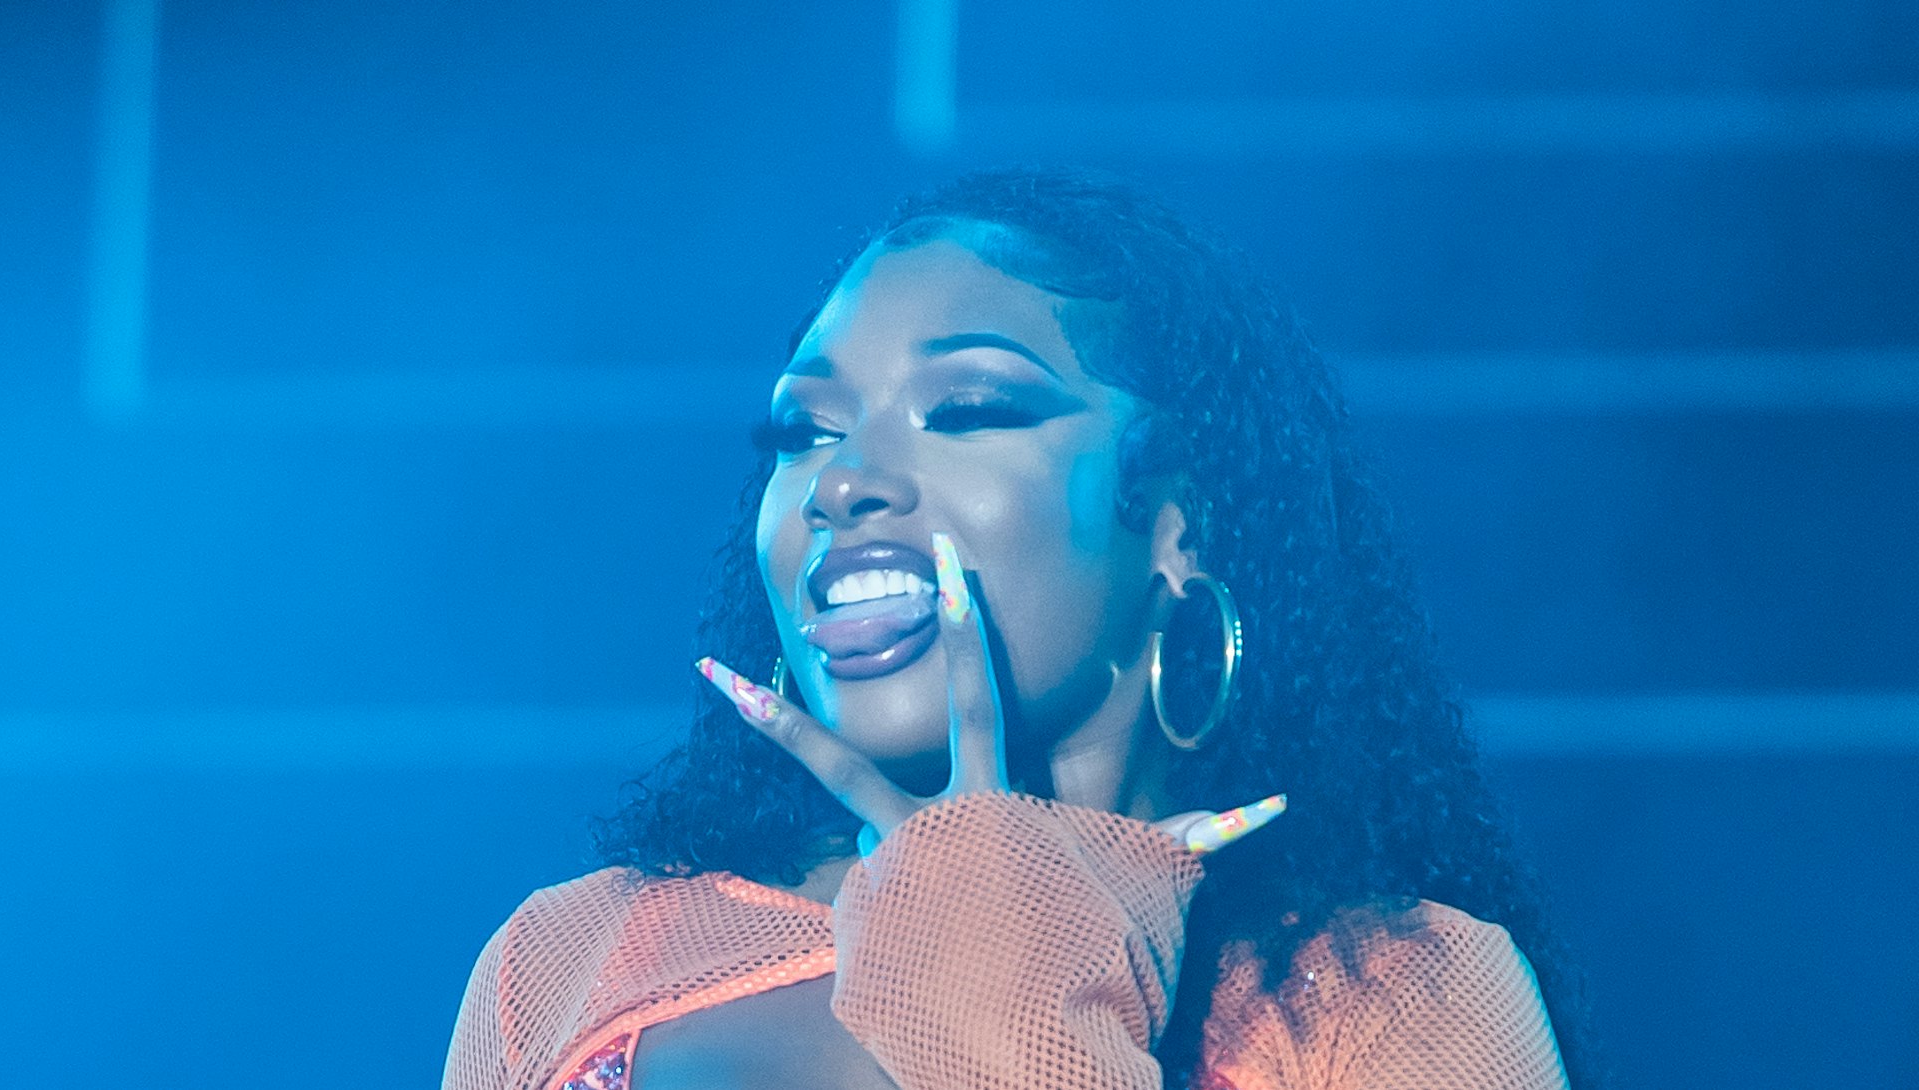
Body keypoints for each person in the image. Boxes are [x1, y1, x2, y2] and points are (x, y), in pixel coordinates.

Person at [442, 168, 1591, 1090]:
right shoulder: (572, 954)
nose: (842, 481)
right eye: (803, 430)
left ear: (1177, 529)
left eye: (967, 408)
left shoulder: (1390, 992)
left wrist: (1001, 952)